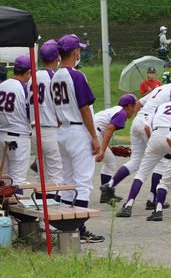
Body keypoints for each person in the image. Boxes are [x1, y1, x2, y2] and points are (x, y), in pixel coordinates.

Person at [99, 67, 171, 208]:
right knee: (161, 161)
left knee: (136, 161)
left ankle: (110, 185)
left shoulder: (161, 88)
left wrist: (138, 119)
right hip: (152, 125)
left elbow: (139, 104)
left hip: (139, 120)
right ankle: (158, 199)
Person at [51, 34, 103, 243]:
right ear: (75, 53)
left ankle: (67, 228)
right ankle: (79, 229)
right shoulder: (76, 76)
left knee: (68, 181)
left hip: (62, 130)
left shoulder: (55, 75)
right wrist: (94, 136)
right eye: (79, 49)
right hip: (77, 131)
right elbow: (85, 108)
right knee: (83, 183)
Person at [116, 84, 171, 218]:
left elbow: (147, 127)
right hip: (170, 137)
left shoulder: (159, 107)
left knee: (142, 173)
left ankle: (128, 205)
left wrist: (154, 144)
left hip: (155, 136)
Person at [28, 40, 63, 189]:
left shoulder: (32, 77)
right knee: (56, 173)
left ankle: (41, 208)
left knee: (42, 174)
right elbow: (60, 106)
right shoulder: (54, 77)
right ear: (57, 58)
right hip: (50, 129)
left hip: (34, 129)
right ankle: (54, 207)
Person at [0, 56, 32, 189]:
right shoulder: (24, 88)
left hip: (1, 136)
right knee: (17, 181)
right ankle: (14, 209)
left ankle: (4, 209)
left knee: (4, 178)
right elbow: (31, 115)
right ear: (28, 72)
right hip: (18, 138)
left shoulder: (2, 85)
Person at [94, 94, 137, 191]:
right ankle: (106, 193)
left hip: (92, 132)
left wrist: (107, 148)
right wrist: (102, 150)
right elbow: (109, 129)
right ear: (129, 106)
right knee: (110, 162)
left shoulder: (116, 110)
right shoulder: (122, 113)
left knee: (109, 161)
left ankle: (105, 192)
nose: (134, 110)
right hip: (95, 133)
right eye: (134, 106)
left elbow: (104, 128)